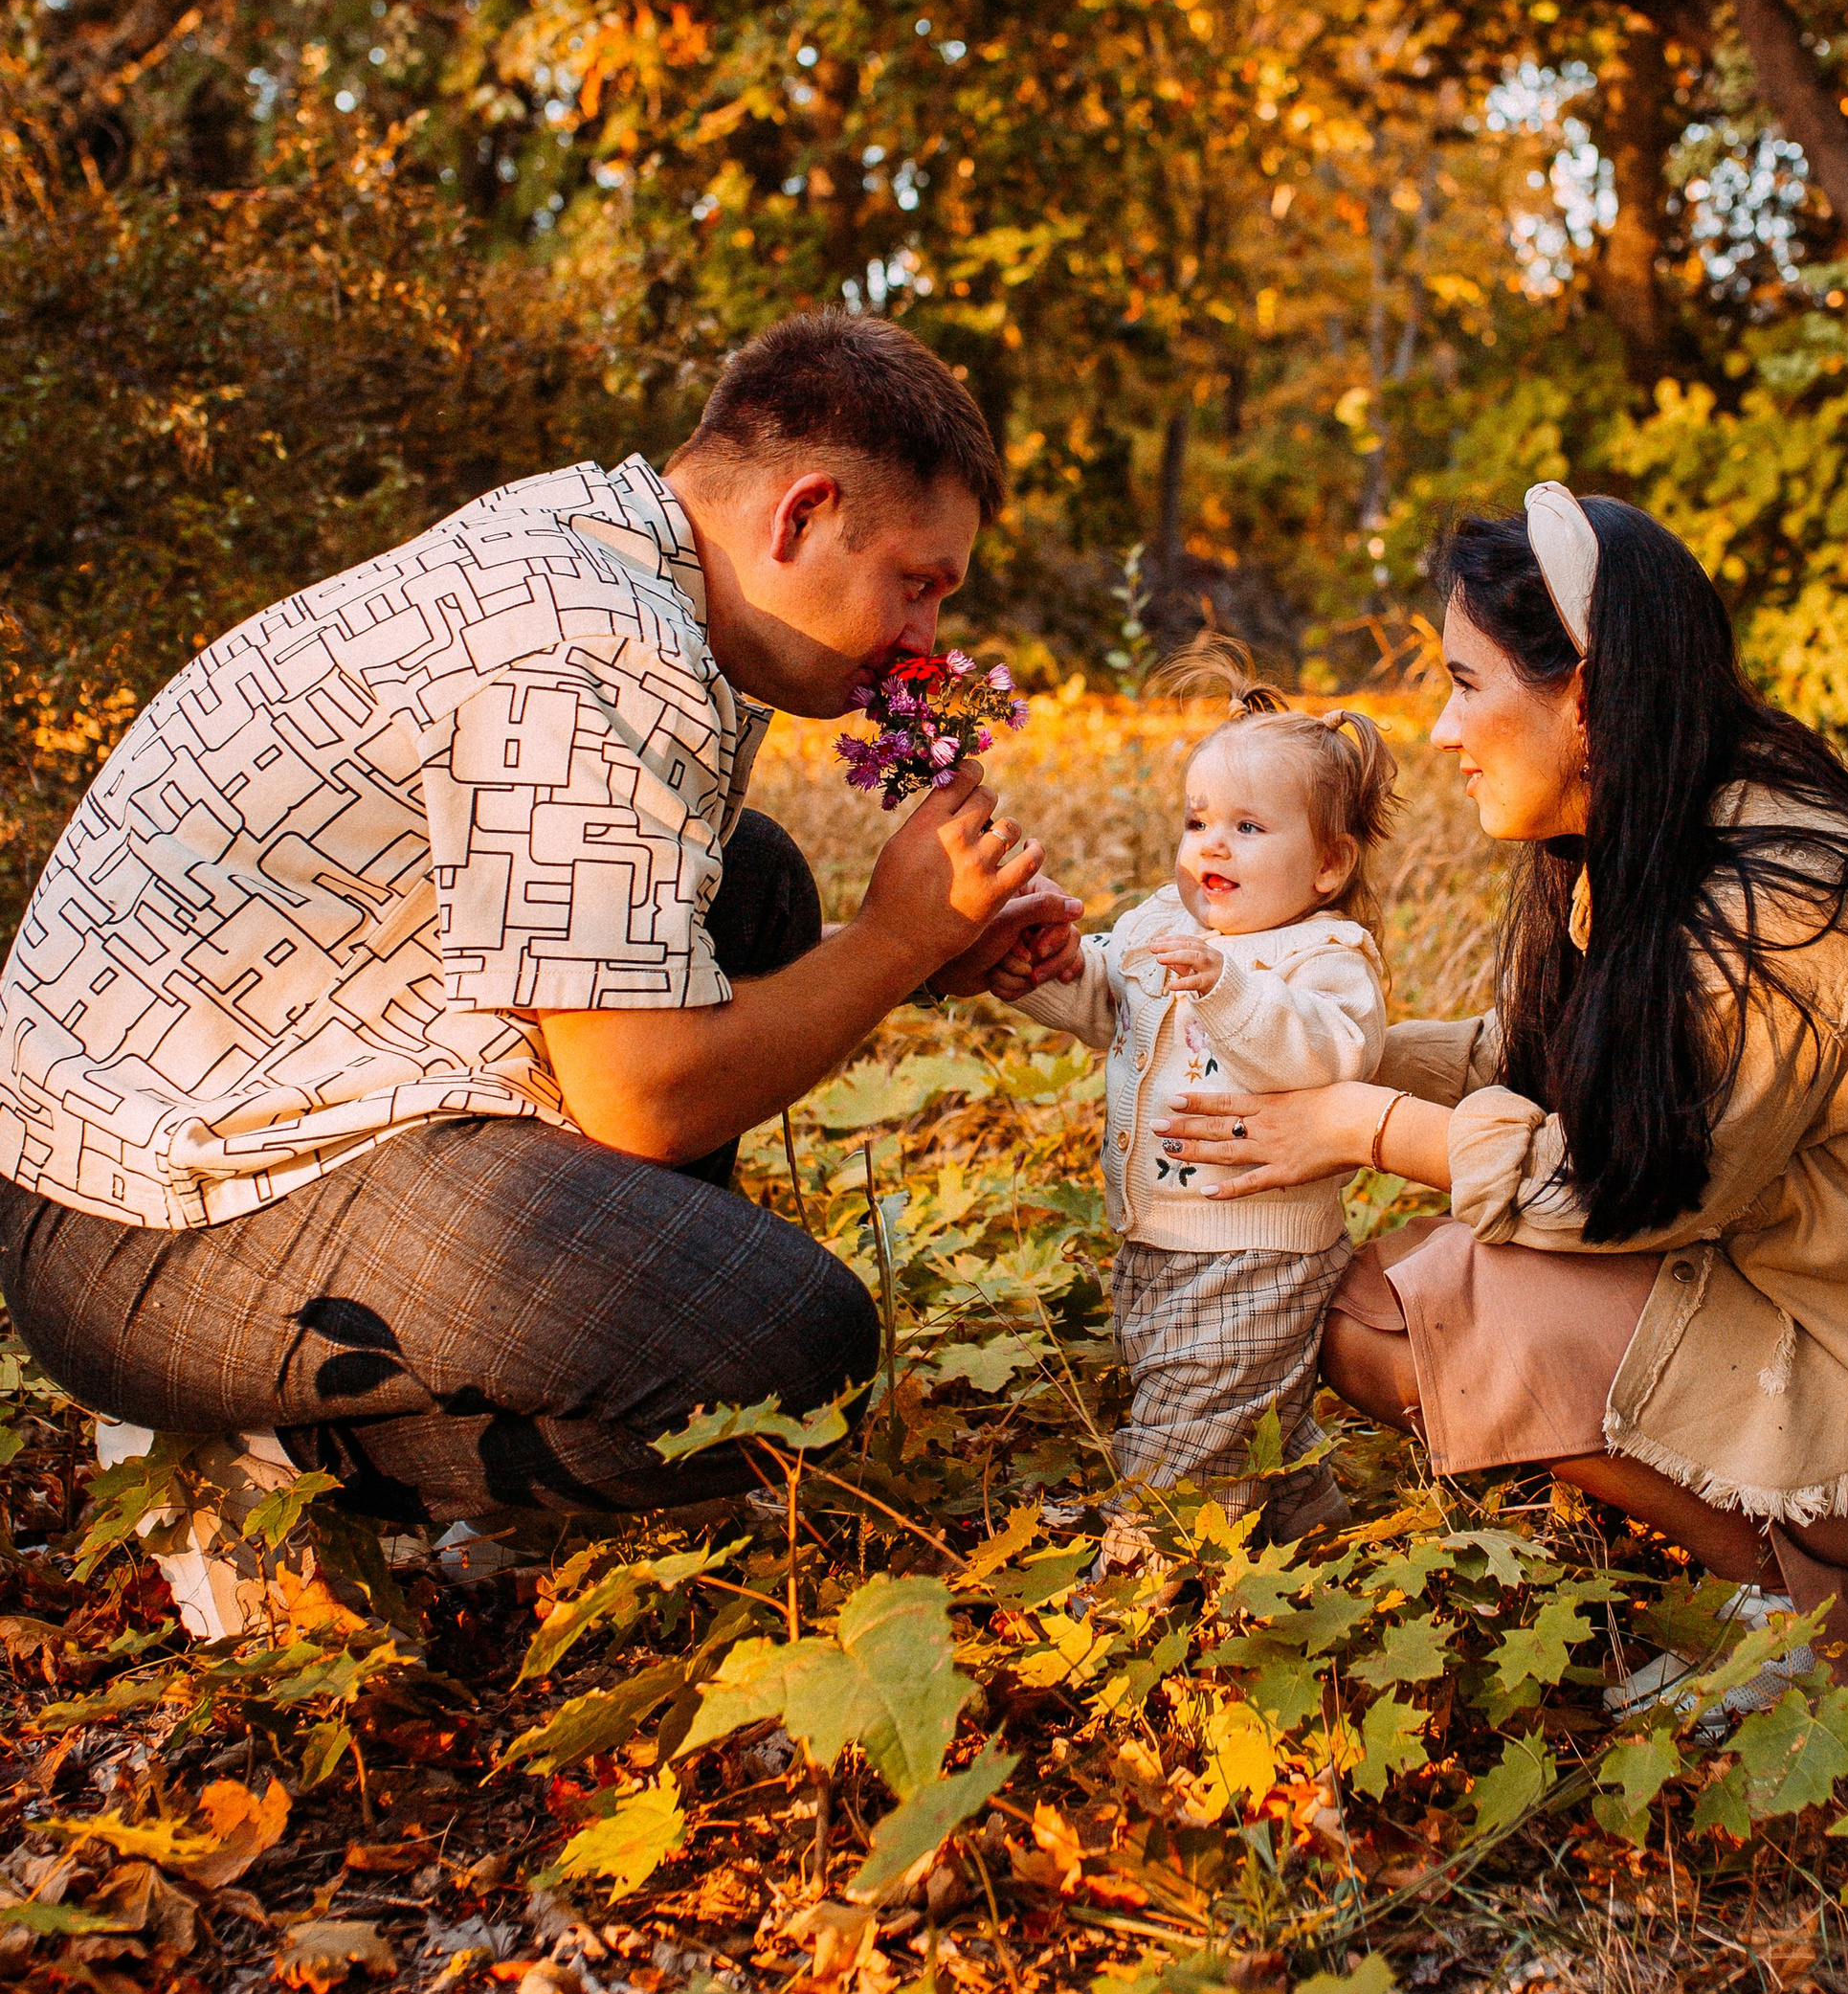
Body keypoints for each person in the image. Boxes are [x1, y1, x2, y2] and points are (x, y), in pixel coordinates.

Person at [0, 311, 1079, 1531]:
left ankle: (524, 1410)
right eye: (917, 583)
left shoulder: (599, 536)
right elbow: (646, 1096)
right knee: (790, 1352)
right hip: (140, 1230)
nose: (926, 639)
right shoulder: (599, 641)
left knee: (751, 881)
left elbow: (606, 951)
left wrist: (929, 952)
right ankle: (274, 1461)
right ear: (801, 514)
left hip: (227, 1104)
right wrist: (893, 941)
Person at [1156, 486, 1848, 1694]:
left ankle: (1795, 1615)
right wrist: (1319, 1039)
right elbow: (1543, 1059)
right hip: (1796, 1301)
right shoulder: (1665, 822)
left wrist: (1365, 1123)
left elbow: (1627, 1187)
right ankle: (1773, 1570)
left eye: (1465, 683)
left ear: (1589, 700)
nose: (1442, 733)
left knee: (1422, 1304)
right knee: (1381, 1299)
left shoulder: (1783, 895)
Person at [1007, 672, 1398, 1550]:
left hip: (1252, 1249)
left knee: (1187, 1429)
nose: (1210, 847)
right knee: (1218, 1406)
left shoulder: (1323, 954)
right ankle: (1303, 1517)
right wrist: (1042, 972)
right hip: (1159, 1239)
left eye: (1248, 829)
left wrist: (1227, 989)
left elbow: (1332, 1054)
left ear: (1329, 863)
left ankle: (1140, 1576)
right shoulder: (1158, 924)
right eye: (1197, 822)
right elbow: (1109, 1004)